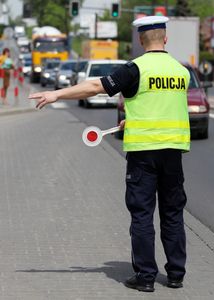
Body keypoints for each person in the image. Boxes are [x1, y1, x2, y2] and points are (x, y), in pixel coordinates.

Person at [29, 15, 190, 292]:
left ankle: (145, 277)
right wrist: (134, 120)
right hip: (173, 153)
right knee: (173, 213)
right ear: (166, 39)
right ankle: (176, 274)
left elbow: (95, 86)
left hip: (143, 153)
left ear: (140, 41)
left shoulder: (136, 69)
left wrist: (57, 94)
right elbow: (163, 106)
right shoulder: (181, 71)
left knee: (142, 215)